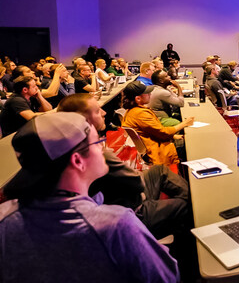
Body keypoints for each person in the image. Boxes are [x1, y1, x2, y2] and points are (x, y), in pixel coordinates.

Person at [0, 112, 180, 283]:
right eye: (98, 142)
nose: (104, 147)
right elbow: (167, 277)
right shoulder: (115, 224)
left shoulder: (3, 218)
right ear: (78, 160)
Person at [57, 94, 192, 242]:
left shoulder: (66, 146)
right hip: (129, 212)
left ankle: (190, 197)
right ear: (83, 120)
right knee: (185, 205)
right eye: (97, 111)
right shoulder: (96, 154)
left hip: (119, 198)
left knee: (158, 170)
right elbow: (136, 185)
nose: (104, 112)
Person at [122, 81, 194, 165]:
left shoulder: (131, 111)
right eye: (147, 93)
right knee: (188, 146)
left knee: (183, 140)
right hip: (157, 151)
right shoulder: (141, 114)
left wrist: (173, 135)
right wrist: (184, 123)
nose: (150, 94)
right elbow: (163, 132)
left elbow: (153, 131)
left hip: (154, 145)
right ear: (138, 98)